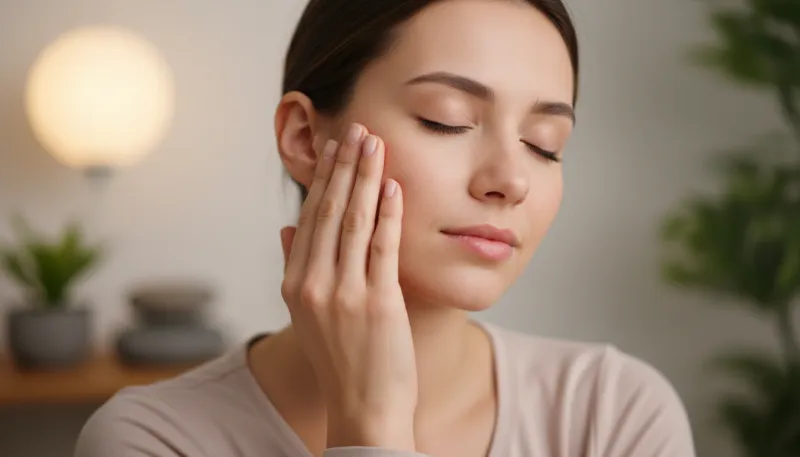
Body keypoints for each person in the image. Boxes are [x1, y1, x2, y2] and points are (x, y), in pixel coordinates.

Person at [75, 1, 697, 456]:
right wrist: (370, 428)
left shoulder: (611, 415)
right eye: (446, 120)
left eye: (545, 144)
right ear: (304, 138)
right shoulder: (154, 440)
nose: (511, 179)